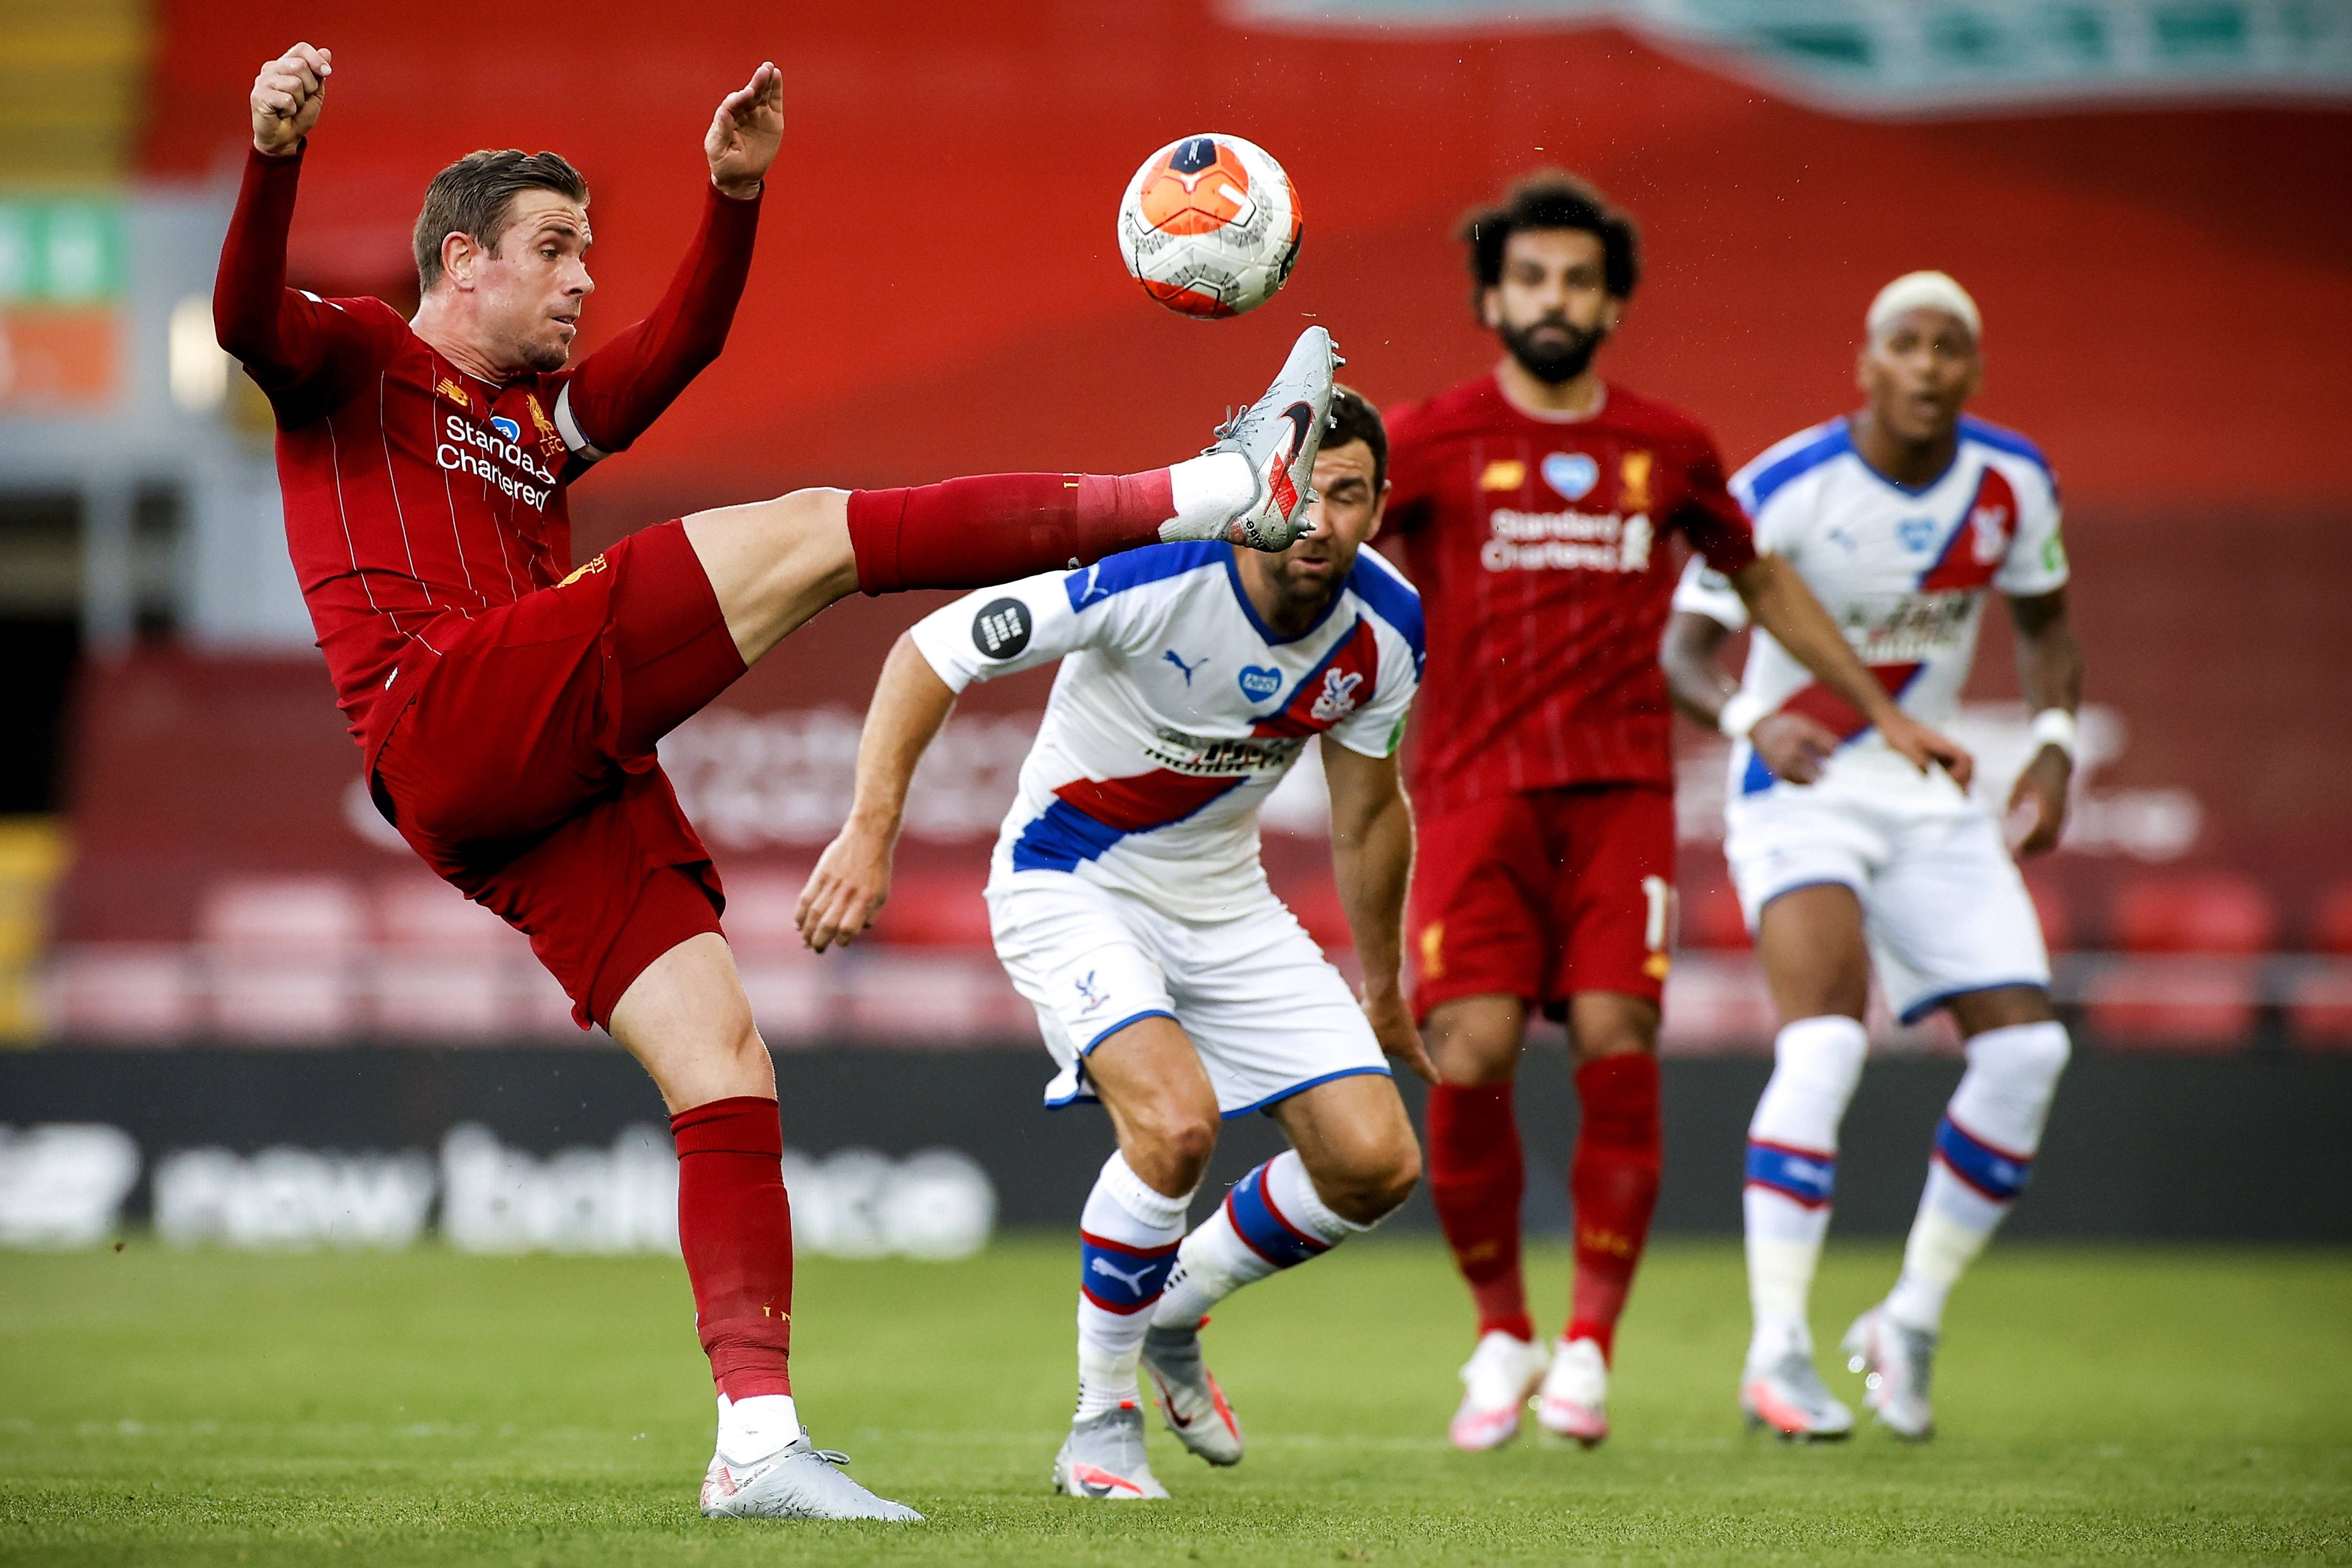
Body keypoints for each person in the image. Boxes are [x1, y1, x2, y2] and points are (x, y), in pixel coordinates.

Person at [215, 41, 1338, 1521]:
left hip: (537, 777)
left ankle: (755, 1441)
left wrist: (729, 198)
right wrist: (276, 153)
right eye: (553, 252)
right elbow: (242, 319)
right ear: (459, 259)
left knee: (726, 1064)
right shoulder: (355, 355)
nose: (579, 283)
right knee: (813, 533)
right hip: (448, 711)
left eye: (588, 255)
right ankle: (1210, 495)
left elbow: (677, 353)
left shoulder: (531, 430)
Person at [1382, 171, 1972, 1451]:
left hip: (1620, 798)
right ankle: (1500, 1333)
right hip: (1474, 794)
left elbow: (1761, 581)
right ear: (1492, 297)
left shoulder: (1671, 447)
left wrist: (1877, 701)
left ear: (1613, 304)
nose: (1554, 298)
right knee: (1470, 1053)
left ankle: (1588, 1348)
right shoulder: (1426, 439)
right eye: (1531, 277)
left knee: (1615, 1033)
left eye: (1578, 280)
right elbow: (1324, 553)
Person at [797, 387, 1434, 1501]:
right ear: (1259, 490)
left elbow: (1370, 811)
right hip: (1071, 883)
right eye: (1304, 488)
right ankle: (1102, 1423)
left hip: (1226, 906)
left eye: (1350, 495)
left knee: (1375, 1165)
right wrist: (869, 831)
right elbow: (933, 648)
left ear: (1380, 508)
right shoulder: (1160, 571)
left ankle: (1173, 1307)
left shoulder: (1387, 630)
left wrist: (1382, 988)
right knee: (1177, 1126)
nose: (1321, 519)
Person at [1661, 272, 2082, 1442]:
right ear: (1869, 362)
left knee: (2029, 1054)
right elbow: (1686, 654)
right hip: (1800, 795)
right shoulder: (1786, 488)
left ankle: (1909, 1318)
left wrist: (2051, 748)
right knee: (1829, 1039)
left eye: (1954, 347)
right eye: (1910, 343)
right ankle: (1778, 1349)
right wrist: (1751, 721)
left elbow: (2048, 629)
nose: (1932, 366)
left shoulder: (2013, 483)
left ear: (1975, 372)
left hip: (1930, 797)